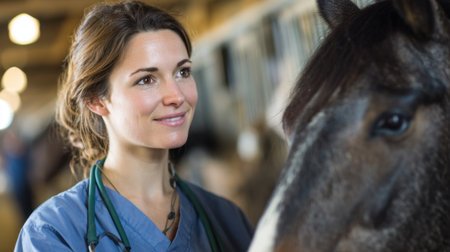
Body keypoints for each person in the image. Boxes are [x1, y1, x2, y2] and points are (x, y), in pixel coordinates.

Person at [14, 1, 253, 251]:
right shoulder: (54, 232)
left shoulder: (227, 219)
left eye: (183, 72)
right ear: (96, 100)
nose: (177, 96)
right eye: (146, 79)